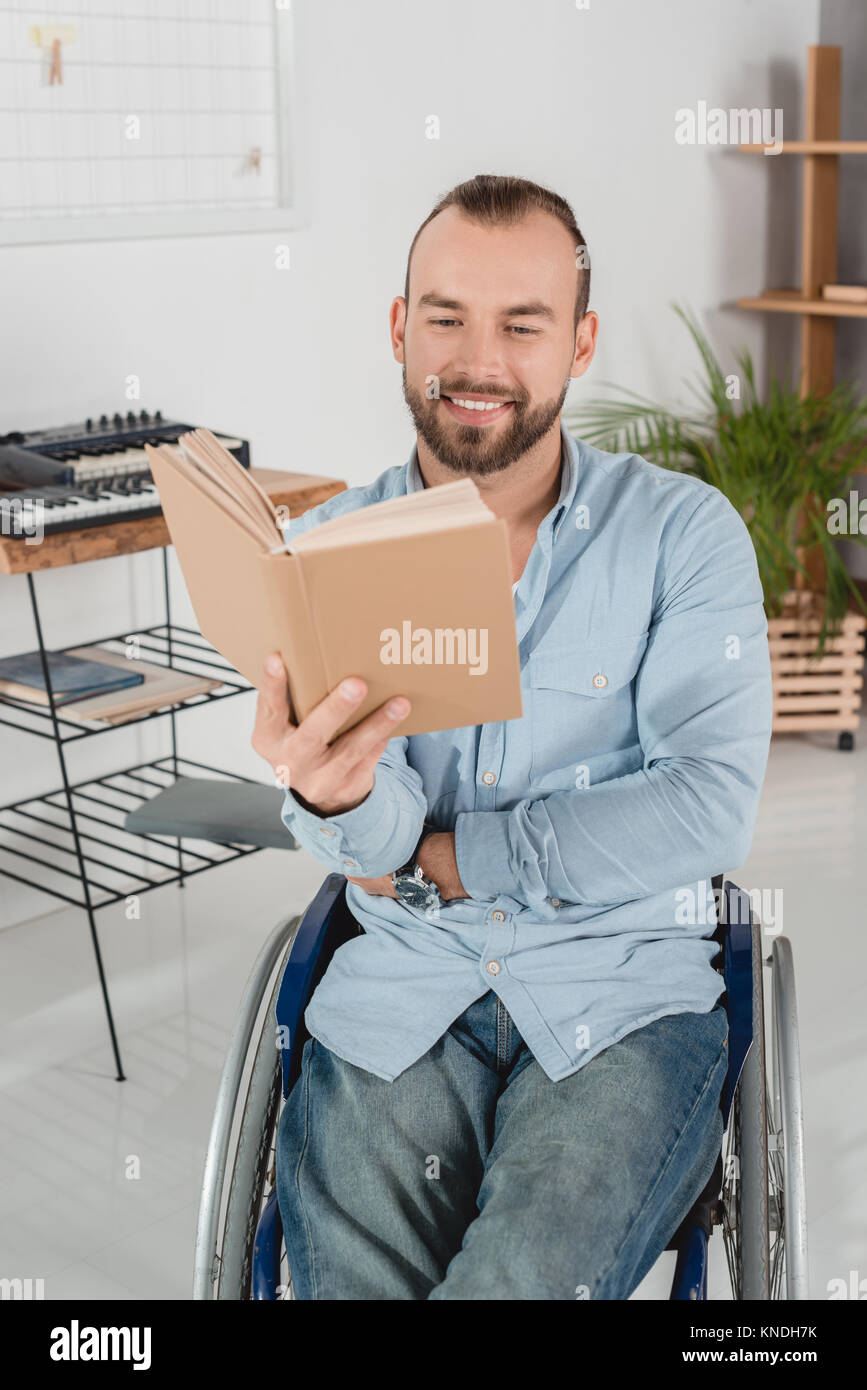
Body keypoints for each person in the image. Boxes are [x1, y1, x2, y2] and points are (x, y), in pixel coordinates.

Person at [251, 173, 773, 1300]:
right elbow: (372, 844)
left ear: (579, 344)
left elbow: (705, 804)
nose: (477, 359)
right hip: (402, 999)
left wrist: (444, 860)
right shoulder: (335, 549)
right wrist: (339, 802)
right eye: (445, 317)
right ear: (400, 330)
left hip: (623, 1001)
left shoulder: (685, 537)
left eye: (521, 324)